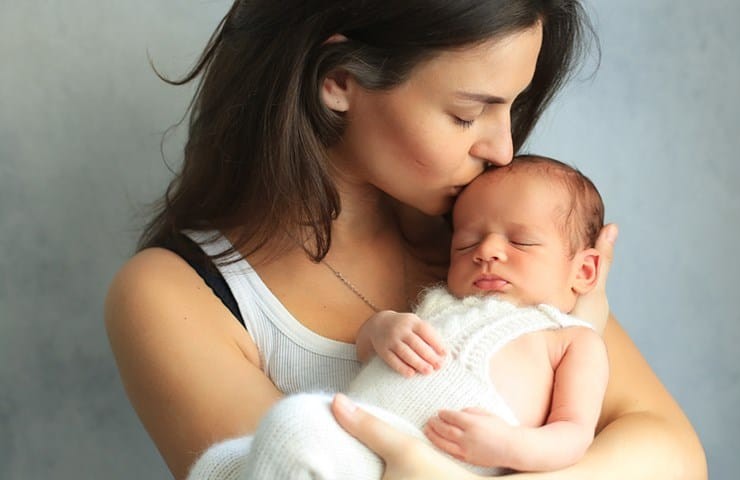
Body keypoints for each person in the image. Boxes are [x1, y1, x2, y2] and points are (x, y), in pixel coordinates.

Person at [104, 1, 708, 479]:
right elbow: (291, 461)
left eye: (513, 109)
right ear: (339, 80)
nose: (502, 150)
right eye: (468, 114)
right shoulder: (177, 294)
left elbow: (673, 454)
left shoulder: (493, 244)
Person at [187, 155, 610, 479]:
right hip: (361, 434)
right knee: (221, 464)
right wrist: (382, 327)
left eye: (520, 242)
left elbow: (573, 434)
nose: (486, 252)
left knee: (293, 424)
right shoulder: (441, 301)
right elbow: (366, 347)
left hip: (441, 463)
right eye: (466, 244)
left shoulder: (571, 337)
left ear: (584, 270)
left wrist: (511, 447)